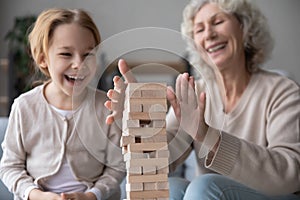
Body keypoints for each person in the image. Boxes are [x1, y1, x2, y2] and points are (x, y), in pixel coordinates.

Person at [105, 0, 300, 199]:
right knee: (171, 188)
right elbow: (160, 162)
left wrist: (208, 136)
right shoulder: (194, 91)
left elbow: (290, 174)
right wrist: (136, 125)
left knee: (205, 186)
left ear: (244, 27)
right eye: (199, 30)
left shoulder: (283, 90)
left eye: (217, 22)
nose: (208, 34)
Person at [0, 8, 125, 200]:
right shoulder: (24, 106)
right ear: (43, 59)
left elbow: (117, 166)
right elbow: (10, 167)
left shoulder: (106, 107)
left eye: (87, 55)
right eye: (66, 54)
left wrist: (92, 195)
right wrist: (36, 195)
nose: (79, 64)